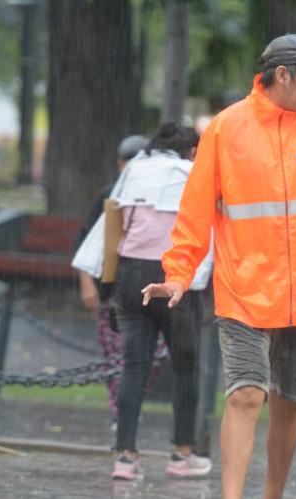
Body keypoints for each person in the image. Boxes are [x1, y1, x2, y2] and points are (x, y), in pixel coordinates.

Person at [141, 33, 296, 498]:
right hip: (244, 293)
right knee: (246, 395)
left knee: (289, 405)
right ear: (281, 75)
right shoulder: (226, 129)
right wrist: (178, 275)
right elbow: (195, 211)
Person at [108, 123, 213, 479]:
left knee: (134, 366)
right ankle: (182, 454)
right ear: (189, 149)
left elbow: (114, 220)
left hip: (132, 274)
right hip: (177, 277)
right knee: (186, 366)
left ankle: (125, 456)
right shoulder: (193, 172)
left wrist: (109, 282)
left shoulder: (135, 169)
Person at [72, 134, 166, 425]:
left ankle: (128, 407)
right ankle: (121, 416)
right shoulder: (109, 195)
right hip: (112, 291)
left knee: (153, 357)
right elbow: (86, 242)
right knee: (117, 355)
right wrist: (87, 283)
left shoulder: (161, 195)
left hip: (152, 289)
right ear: (119, 165)